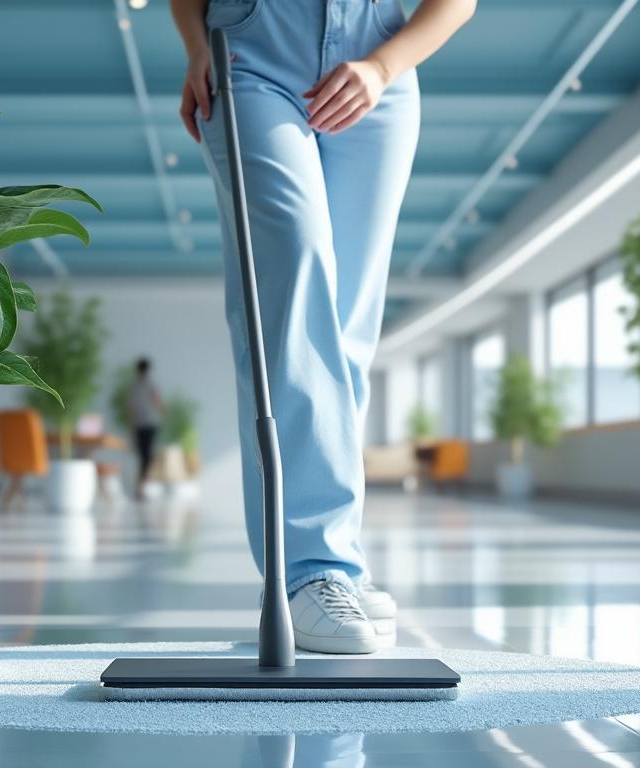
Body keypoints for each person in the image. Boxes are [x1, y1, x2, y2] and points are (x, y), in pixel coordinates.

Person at [171, 0, 476, 653]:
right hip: (252, 56)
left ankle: (331, 559)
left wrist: (381, 66)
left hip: (378, 68)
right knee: (294, 280)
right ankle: (313, 568)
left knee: (344, 330)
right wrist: (197, 45)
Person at [127, 358, 165, 500]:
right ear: (148, 370)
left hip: (139, 425)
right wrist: (165, 412)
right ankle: (142, 487)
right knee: (147, 457)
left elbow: (130, 408)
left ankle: (141, 487)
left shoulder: (133, 387)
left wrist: (131, 425)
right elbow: (157, 401)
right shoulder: (150, 385)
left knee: (144, 457)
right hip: (149, 424)